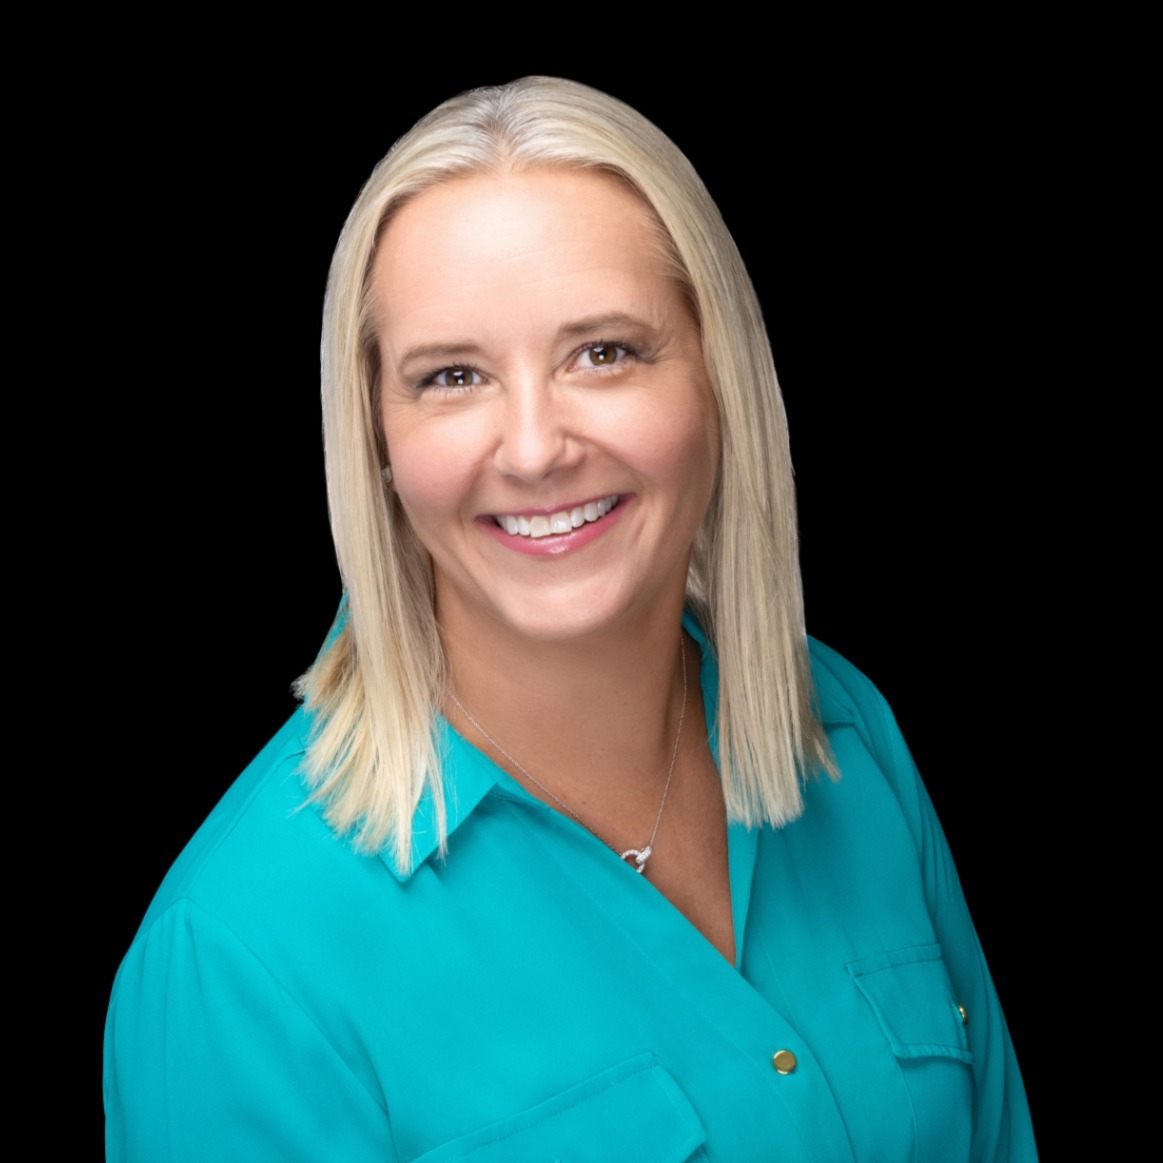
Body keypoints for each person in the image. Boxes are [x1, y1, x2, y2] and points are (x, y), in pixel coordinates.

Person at [104, 77, 1036, 1161]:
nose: (536, 446)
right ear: (377, 440)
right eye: (451, 375)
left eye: (603, 351)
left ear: (718, 378)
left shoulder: (850, 737)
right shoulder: (236, 958)